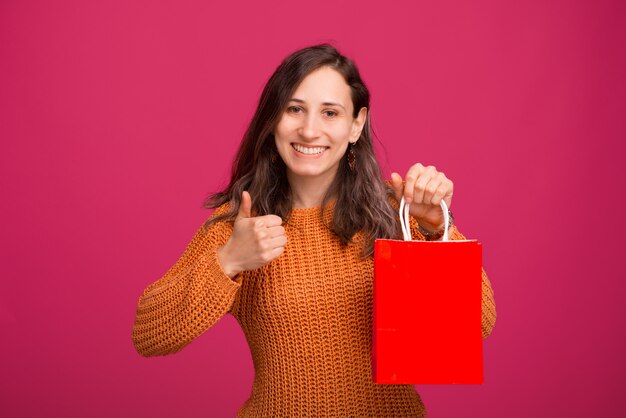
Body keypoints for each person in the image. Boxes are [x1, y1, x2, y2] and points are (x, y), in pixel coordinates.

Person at [131, 43, 497, 417]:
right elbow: (148, 333)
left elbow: (477, 326)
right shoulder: (244, 224)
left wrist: (438, 230)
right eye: (294, 109)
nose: (309, 130)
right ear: (274, 119)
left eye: (330, 113)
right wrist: (228, 261)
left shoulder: (393, 213)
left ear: (356, 124)